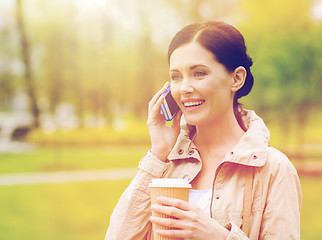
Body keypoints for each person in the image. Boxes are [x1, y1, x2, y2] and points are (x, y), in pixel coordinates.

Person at [105, 21, 302, 240]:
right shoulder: (165, 164)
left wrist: (217, 236)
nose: (184, 89)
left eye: (199, 73)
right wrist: (158, 152)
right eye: (176, 76)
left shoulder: (274, 169)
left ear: (236, 79)